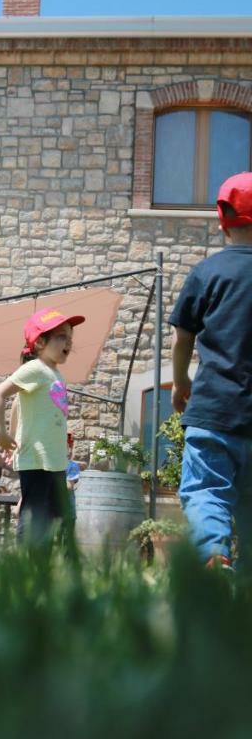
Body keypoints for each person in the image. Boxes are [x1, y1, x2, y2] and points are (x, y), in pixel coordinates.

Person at [169, 171, 252, 570]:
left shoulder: (207, 272)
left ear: (223, 220)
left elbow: (183, 337)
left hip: (215, 410)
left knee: (207, 492)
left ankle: (214, 558)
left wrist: (181, 381)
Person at [0, 306, 84, 546]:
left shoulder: (55, 373)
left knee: (54, 519)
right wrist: (2, 433)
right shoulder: (35, 369)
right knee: (35, 518)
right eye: (61, 336)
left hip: (54, 461)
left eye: (70, 337)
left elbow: (17, 405)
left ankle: (42, 566)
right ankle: (26, 566)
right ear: (40, 342)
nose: (68, 342)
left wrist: (13, 433)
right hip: (37, 458)